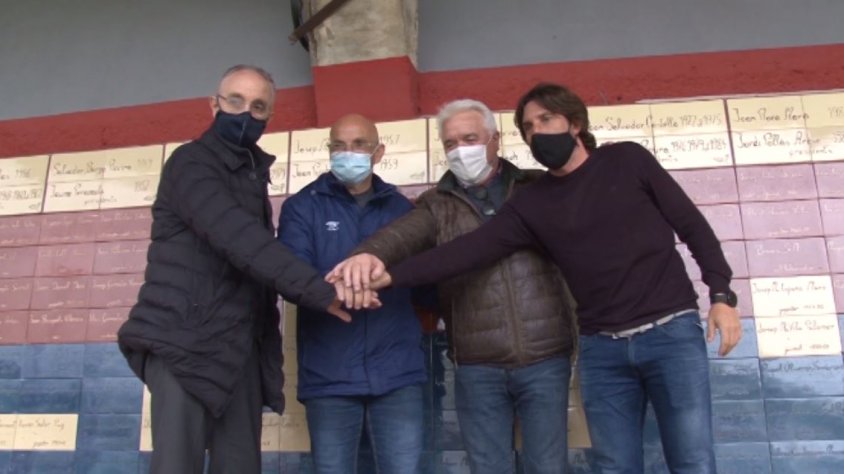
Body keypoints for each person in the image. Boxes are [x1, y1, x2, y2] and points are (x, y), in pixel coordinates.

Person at [331, 83, 743, 474]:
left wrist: (721, 296)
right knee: (615, 466)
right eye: (529, 127)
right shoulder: (532, 202)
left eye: (546, 120)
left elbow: (692, 226)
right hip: (602, 350)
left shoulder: (627, 160)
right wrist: (384, 276)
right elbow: (463, 253)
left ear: (574, 123)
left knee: (692, 461)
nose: (537, 132)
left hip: (669, 334)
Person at [117, 65, 354, 474]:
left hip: (238, 349)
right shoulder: (191, 163)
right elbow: (240, 240)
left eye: (258, 107)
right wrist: (319, 290)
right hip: (183, 343)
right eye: (236, 101)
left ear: (269, 117)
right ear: (214, 105)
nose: (246, 113)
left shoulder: (249, 175)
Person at [337, 99, 576, 473]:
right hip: (477, 364)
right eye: (451, 143)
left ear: (495, 140)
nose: (460, 150)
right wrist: (367, 255)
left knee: (548, 466)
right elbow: (400, 235)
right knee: (487, 467)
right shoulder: (436, 204)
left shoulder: (536, 187)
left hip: (545, 355)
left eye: (470, 139)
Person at [276, 114, 426, 473]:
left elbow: (422, 279)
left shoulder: (403, 210)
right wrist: (338, 291)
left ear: (378, 152)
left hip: (397, 373)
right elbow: (291, 275)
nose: (349, 153)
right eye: (339, 146)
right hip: (329, 375)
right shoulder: (302, 207)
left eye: (359, 145)